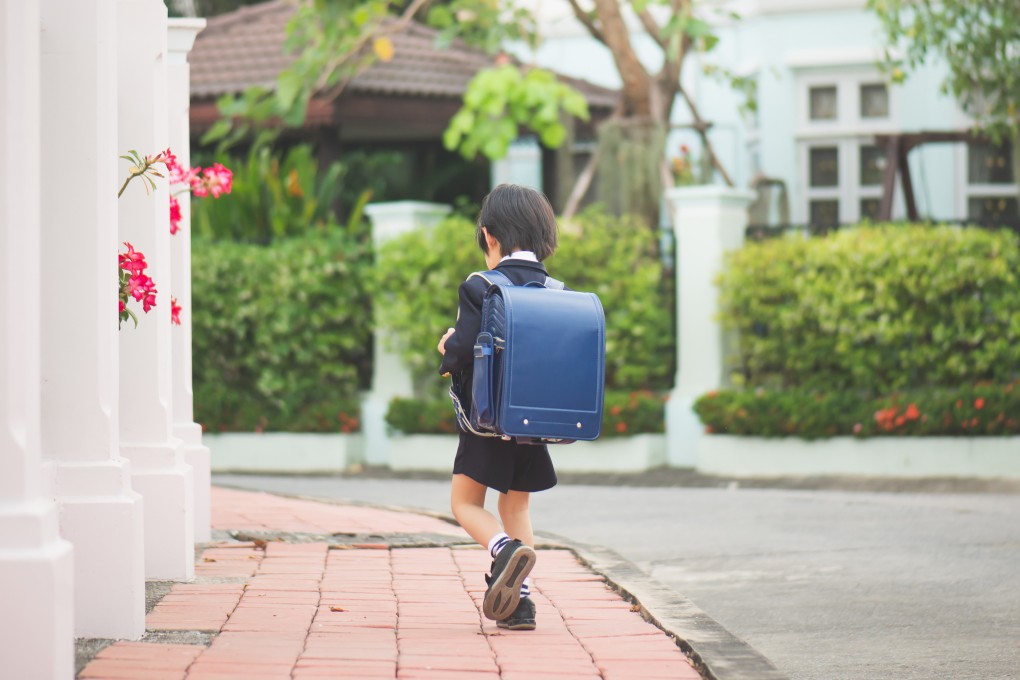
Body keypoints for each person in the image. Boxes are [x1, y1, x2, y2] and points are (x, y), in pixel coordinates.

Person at [437, 183, 561, 631]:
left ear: (489, 237)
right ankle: (521, 604)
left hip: (487, 422)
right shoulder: (554, 289)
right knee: (518, 509)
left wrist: (448, 350)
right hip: (533, 423)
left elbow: (467, 347)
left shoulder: (481, 286)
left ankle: (502, 552)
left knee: (465, 504)